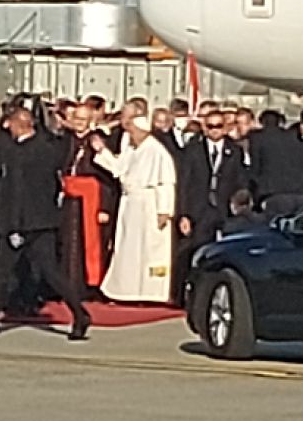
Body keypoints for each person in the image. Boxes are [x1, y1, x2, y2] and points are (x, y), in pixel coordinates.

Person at [0, 107, 91, 341]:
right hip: (44, 221)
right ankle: (79, 313)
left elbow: (16, 193)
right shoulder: (48, 148)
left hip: (21, 223)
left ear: (18, 125)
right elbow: (60, 156)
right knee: (51, 273)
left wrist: (13, 226)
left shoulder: (16, 153)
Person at [88, 110, 177, 303]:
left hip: (150, 205)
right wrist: (102, 151)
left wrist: (164, 211)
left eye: (133, 132)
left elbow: (165, 183)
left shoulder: (157, 151)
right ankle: (126, 290)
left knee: (150, 251)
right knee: (128, 249)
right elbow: (118, 169)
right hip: (130, 204)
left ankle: (151, 292)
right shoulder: (131, 149)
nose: (130, 135)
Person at [58, 103, 115, 298]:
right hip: (69, 198)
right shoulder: (65, 140)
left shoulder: (99, 141)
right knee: (68, 242)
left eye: (83, 120)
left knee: (90, 244)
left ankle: (89, 286)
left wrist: (105, 207)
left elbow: (108, 179)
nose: (79, 123)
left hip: (93, 199)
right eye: (76, 119)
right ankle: (67, 284)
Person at [177, 110, 247, 257]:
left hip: (225, 208)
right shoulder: (193, 150)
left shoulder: (235, 150)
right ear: (204, 128)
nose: (215, 130)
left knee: (225, 251)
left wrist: (239, 209)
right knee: (198, 250)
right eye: (210, 126)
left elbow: (240, 180)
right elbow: (184, 182)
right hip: (199, 210)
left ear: (225, 127)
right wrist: (183, 214)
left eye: (218, 126)